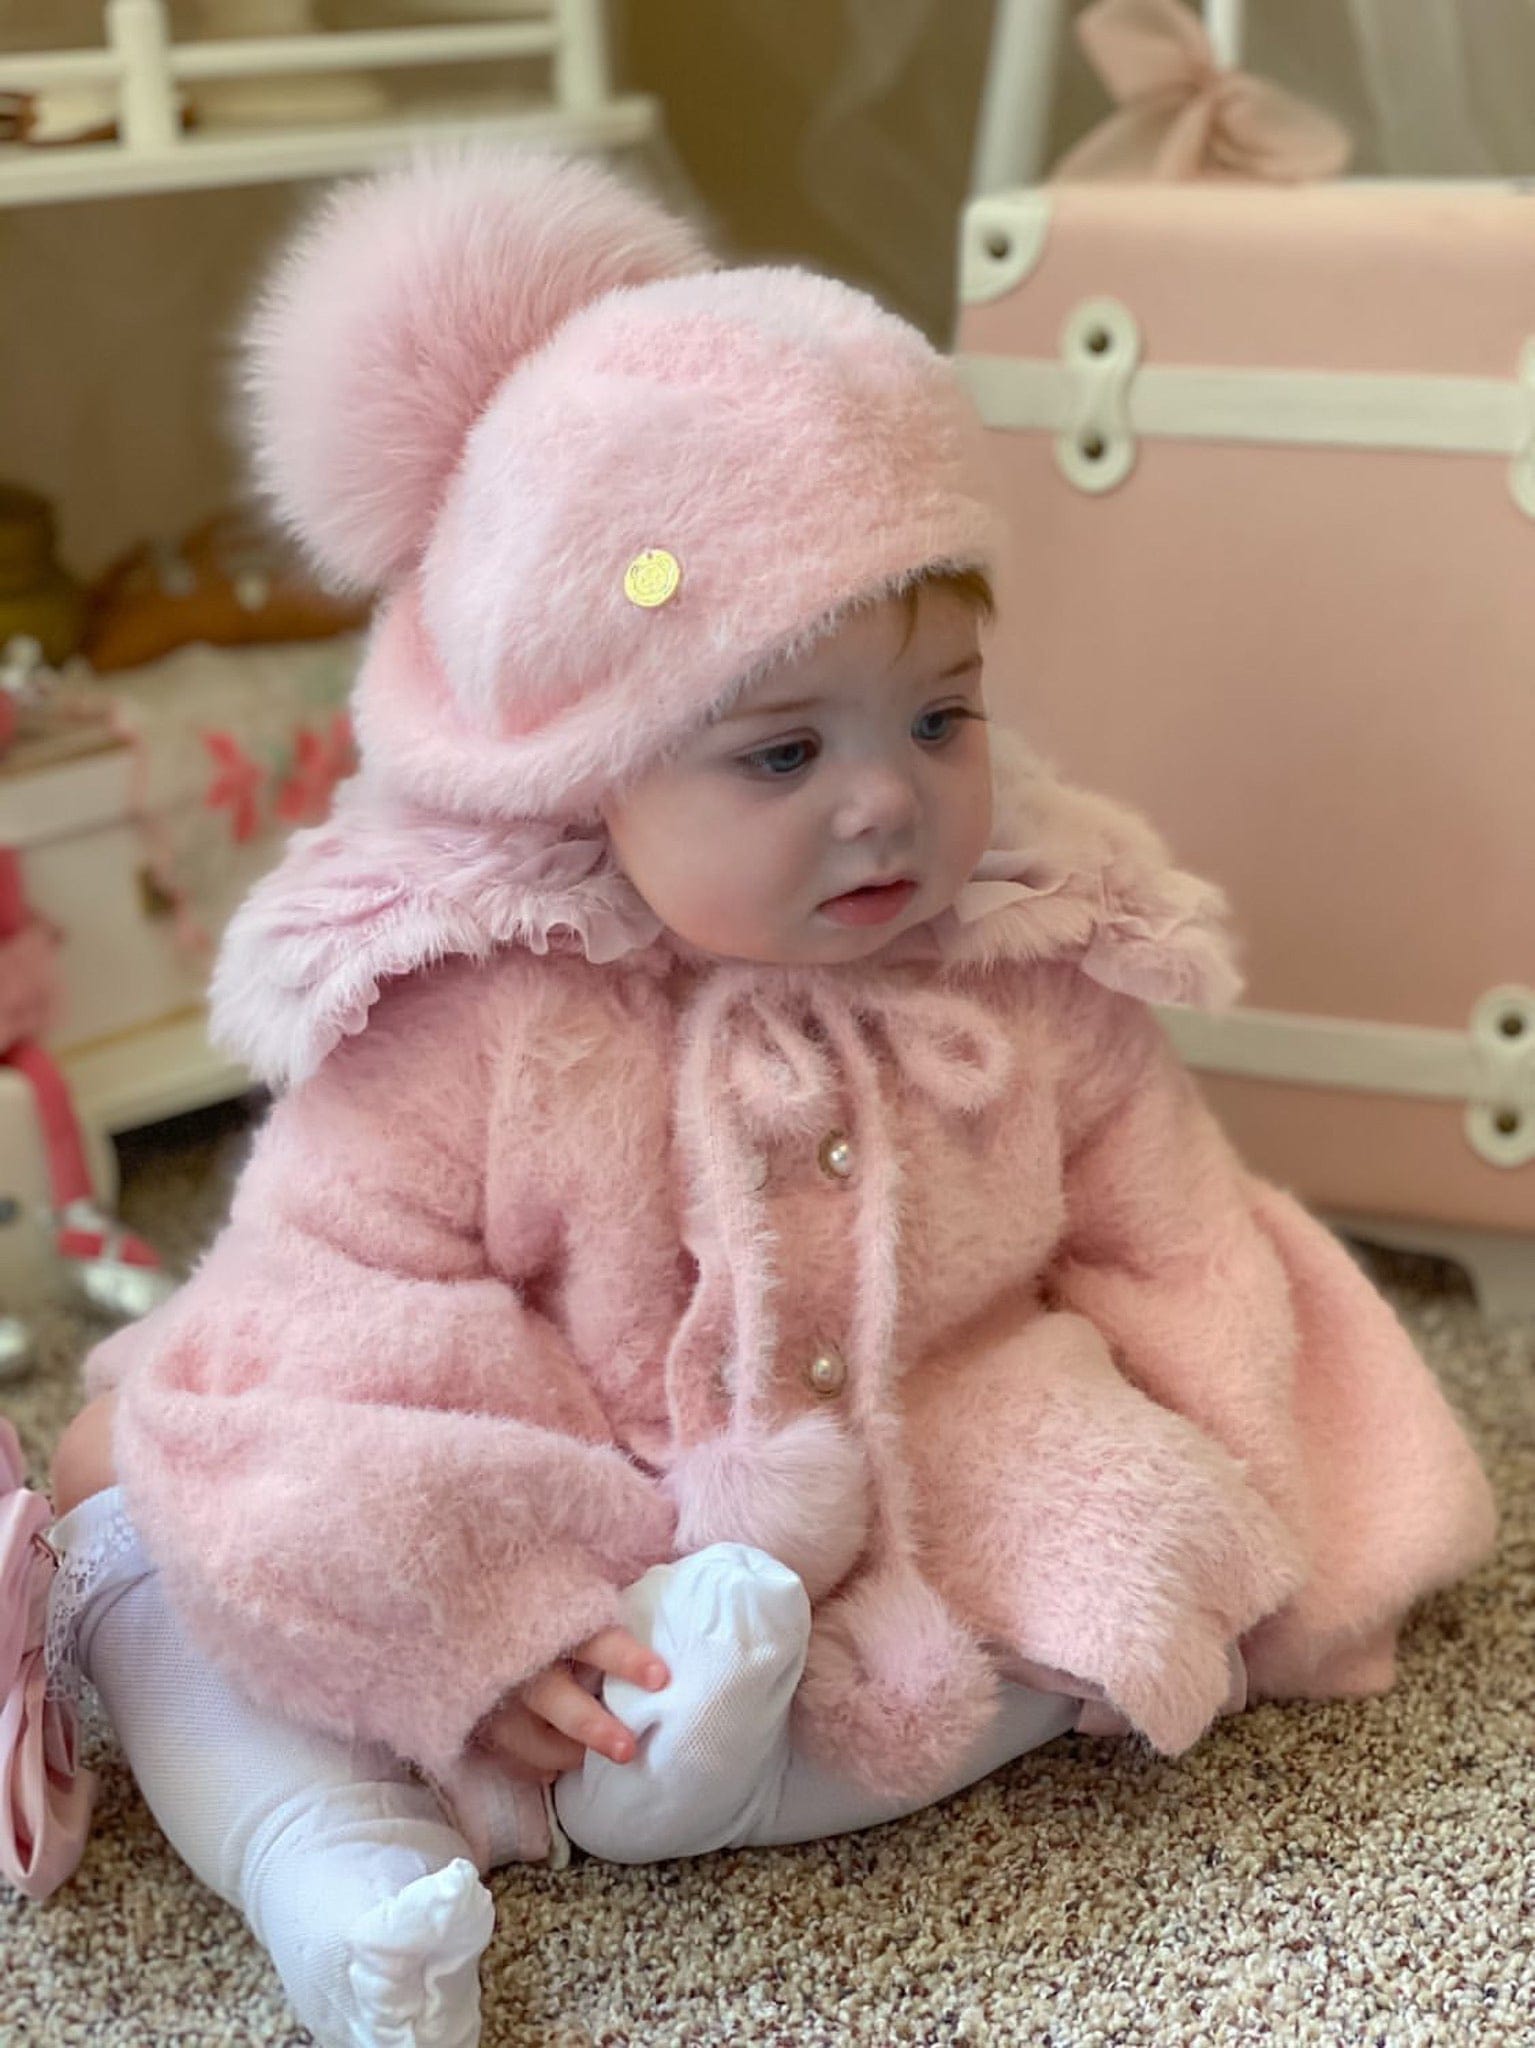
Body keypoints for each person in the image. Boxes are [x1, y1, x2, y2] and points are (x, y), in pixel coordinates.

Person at [0, 148, 1496, 2048]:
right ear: (587, 767)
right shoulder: (476, 1011)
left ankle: (705, 1770)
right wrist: (497, 1590)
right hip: (566, 1448)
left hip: (912, 1454)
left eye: (940, 718)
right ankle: (352, 1868)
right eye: (781, 754)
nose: (885, 802)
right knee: (209, 1538)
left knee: (1107, 1552)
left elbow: (1170, 1226)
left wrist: (1234, 1474)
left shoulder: (1020, 962)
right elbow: (339, 1302)